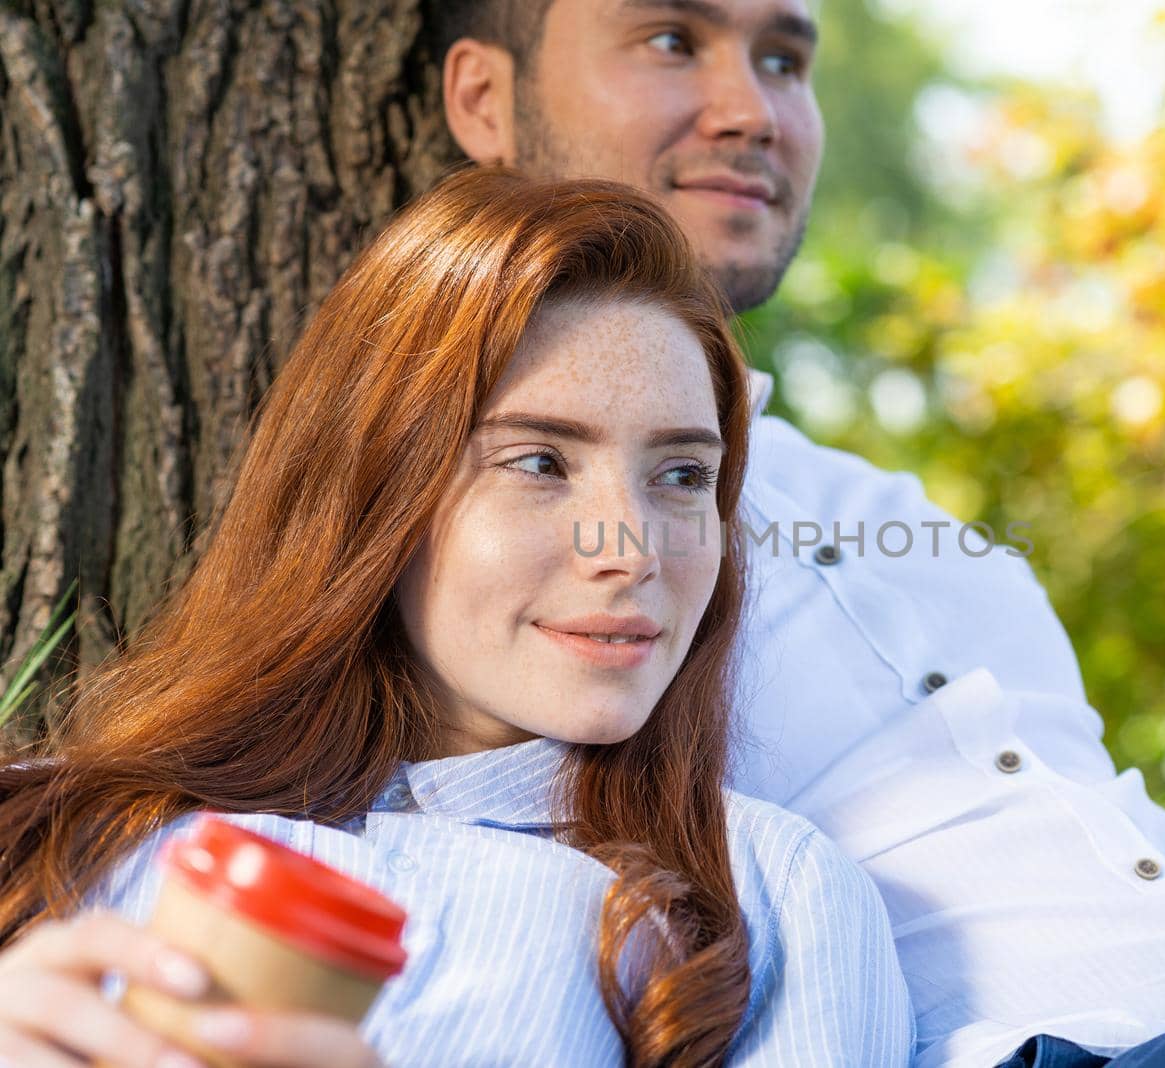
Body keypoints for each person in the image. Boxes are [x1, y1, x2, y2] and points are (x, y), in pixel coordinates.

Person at [428, 1, 1165, 1066]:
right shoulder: (468, 527)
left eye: (785, 59)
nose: (752, 112)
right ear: (485, 98)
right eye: (673, 40)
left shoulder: (912, 525)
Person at [0, 169, 913, 1067]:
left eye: (682, 477)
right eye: (539, 463)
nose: (631, 549)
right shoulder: (53, 827)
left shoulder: (769, 898)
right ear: (375, 485)